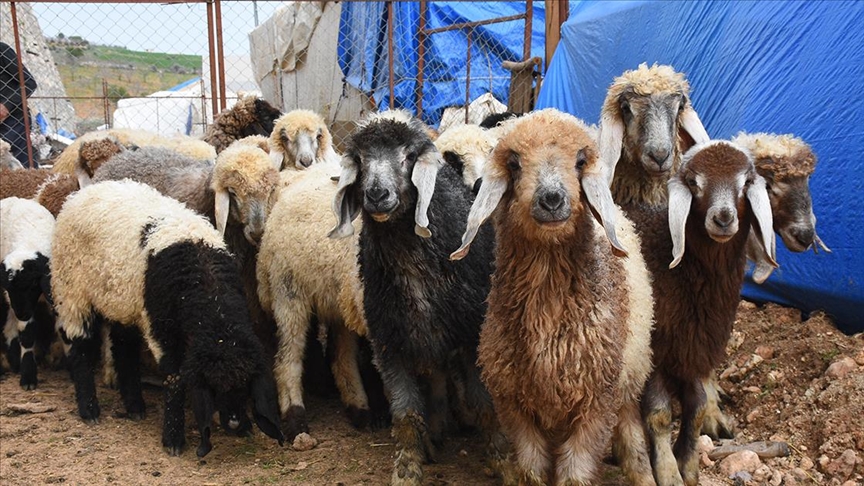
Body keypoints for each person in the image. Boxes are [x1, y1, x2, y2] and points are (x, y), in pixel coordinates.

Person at [1, 41, 38, 167]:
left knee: (20, 169)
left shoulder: (2, 51)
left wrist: (6, 104)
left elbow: (29, 83)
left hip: (13, 121)